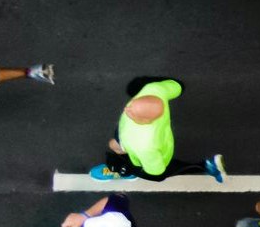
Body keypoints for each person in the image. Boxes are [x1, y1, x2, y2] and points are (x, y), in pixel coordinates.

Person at [88, 77, 225, 181]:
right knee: (114, 145)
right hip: (136, 137)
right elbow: (176, 87)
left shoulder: (142, 144)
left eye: (131, 112)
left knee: (164, 170)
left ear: (144, 120)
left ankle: (207, 166)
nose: (126, 109)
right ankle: (122, 166)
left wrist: (136, 167)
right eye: (133, 103)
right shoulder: (155, 91)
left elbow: (156, 171)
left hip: (155, 153)